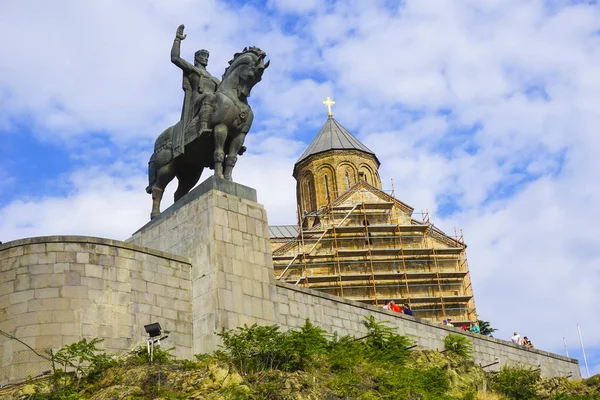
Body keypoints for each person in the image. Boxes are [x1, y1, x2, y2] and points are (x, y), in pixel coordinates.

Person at [170, 24, 220, 154]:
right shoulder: (193, 70)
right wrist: (178, 40)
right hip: (198, 101)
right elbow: (175, 58)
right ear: (197, 58)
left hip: (212, 103)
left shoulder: (215, 79)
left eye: (207, 57)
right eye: (203, 56)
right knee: (209, 97)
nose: (205, 59)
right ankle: (203, 126)